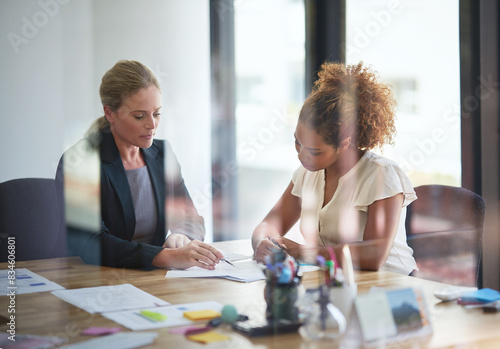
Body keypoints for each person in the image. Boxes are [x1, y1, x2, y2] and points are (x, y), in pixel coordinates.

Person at [252, 61, 418, 275]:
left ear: (344, 144)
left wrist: (305, 252)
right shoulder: (306, 174)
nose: (301, 155)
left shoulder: (381, 173)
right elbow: (268, 225)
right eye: (297, 142)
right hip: (339, 283)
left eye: (314, 151)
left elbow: (374, 255)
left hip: (390, 286)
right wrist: (262, 242)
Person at [56, 60, 223, 270]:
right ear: (110, 113)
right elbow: (91, 242)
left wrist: (181, 236)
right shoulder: (79, 162)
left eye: (157, 113)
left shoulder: (162, 154)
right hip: (94, 280)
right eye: (139, 116)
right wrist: (164, 257)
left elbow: (190, 218)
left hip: (150, 281)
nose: (152, 125)